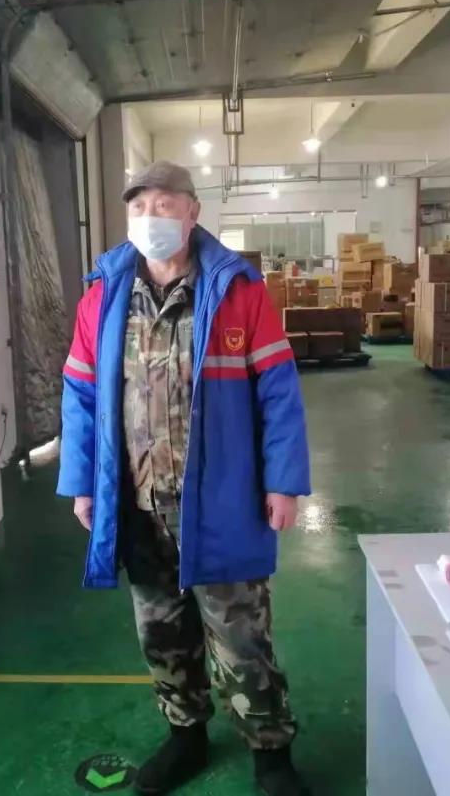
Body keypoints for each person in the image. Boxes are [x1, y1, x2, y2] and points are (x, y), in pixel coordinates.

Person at [58, 161, 313, 796]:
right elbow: (81, 396)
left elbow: (278, 392)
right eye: (139, 207)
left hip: (221, 500)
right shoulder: (103, 295)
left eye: (165, 205)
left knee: (241, 636)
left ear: (193, 212)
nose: (151, 218)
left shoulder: (237, 292)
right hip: (138, 502)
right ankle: (185, 737)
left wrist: (283, 481)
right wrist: (84, 483)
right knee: (162, 632)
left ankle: (271, 752)